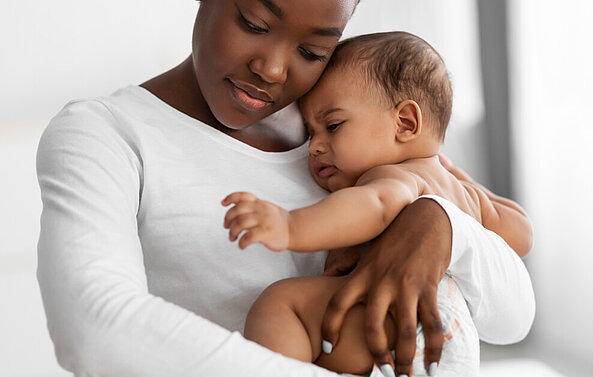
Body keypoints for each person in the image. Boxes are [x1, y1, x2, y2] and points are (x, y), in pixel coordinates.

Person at [36, 1, 535, 376]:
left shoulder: (357, 127)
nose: (274, 70)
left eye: (313, 51)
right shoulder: (107, 133)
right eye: (253, 23)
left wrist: (441, 225)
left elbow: (512, 321)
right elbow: (92, 330)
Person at [221, 32, 532, 376]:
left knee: (280, 305)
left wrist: (290, 227)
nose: (314, 146)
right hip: (454, 346)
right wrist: (470, 185)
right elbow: (521, 233)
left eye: (333, 125)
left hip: (393, 324)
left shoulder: (396, 176)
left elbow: (376, 204)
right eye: (310, 133)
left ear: (404, 123)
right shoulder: (459, 190)